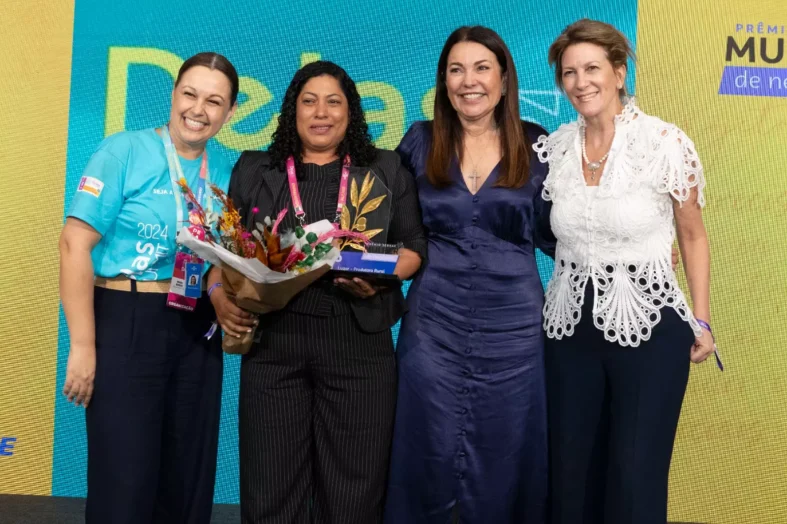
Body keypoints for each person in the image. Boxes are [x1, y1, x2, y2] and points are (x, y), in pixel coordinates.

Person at [208, 60, 426, 524]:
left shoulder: (385, 168)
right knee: (270, 489)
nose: (320, 112)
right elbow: (224, 255)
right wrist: (219, 295)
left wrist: (378, 274)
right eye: (309, 102)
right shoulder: (255, 169)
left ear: (351, 112)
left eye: (333, 102)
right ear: (293, 111)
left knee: (353, 493)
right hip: (273, 347)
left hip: (359, 346)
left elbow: (414, 249)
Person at [534, 19, 717, 524]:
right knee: (571, 479)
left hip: (651, 329)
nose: (581, 82)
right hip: (568, 331)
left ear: (618, 72)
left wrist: (702, 319)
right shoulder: (555, 149)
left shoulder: (664, 142)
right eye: (569, 73)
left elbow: (693, 235)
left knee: (634, 480)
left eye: (592, 68)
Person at [384, 26, 555, 524]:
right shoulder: (418, 141)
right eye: (456, 70)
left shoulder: (537, 144)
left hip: (517, 332)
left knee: (510, 455)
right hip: (432, 327)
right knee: (426, 448)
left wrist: (633, 253)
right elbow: (388, 228)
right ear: (443, 81)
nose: (468, 81)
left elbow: (561, 233)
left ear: (504, 78)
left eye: (482, 68)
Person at [58, 52, 238, 523]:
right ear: (173, 94)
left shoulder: (228, 169)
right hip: (126, 318)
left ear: (231, 112)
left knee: (186, 478)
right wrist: (83, 345)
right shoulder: (123, 151)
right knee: (125, 479)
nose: (198, 109)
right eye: (190, 94)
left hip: (196, 326)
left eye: (214, 101)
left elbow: (225, 259)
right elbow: (74, 243)